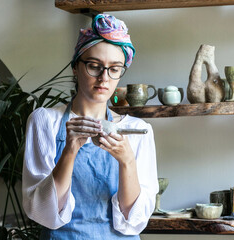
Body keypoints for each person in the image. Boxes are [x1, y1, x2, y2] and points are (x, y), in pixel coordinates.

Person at [22, 14, 158, 239]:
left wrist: (127, 161)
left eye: (114, 69)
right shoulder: (46, 121)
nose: (104, 78)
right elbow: (42, 213)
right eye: (94, 66)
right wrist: (70, 150)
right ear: (75, 67)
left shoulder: (138, 130)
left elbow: (134, 221)